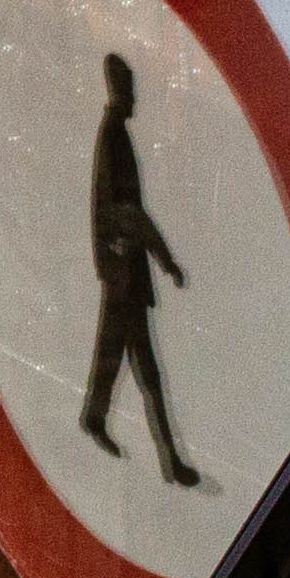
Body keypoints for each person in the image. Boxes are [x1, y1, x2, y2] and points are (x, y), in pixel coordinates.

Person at [78, 53, 198, 488]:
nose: (135, 99)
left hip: (123, 272)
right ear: (120, 90)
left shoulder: (114, 133)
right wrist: (165, 260)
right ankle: (170, 461)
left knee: (119, 360)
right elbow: (127, 212)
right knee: (145, 371)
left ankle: (97, 419)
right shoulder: (113, 134)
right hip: (125, 274)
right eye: (131, 90)